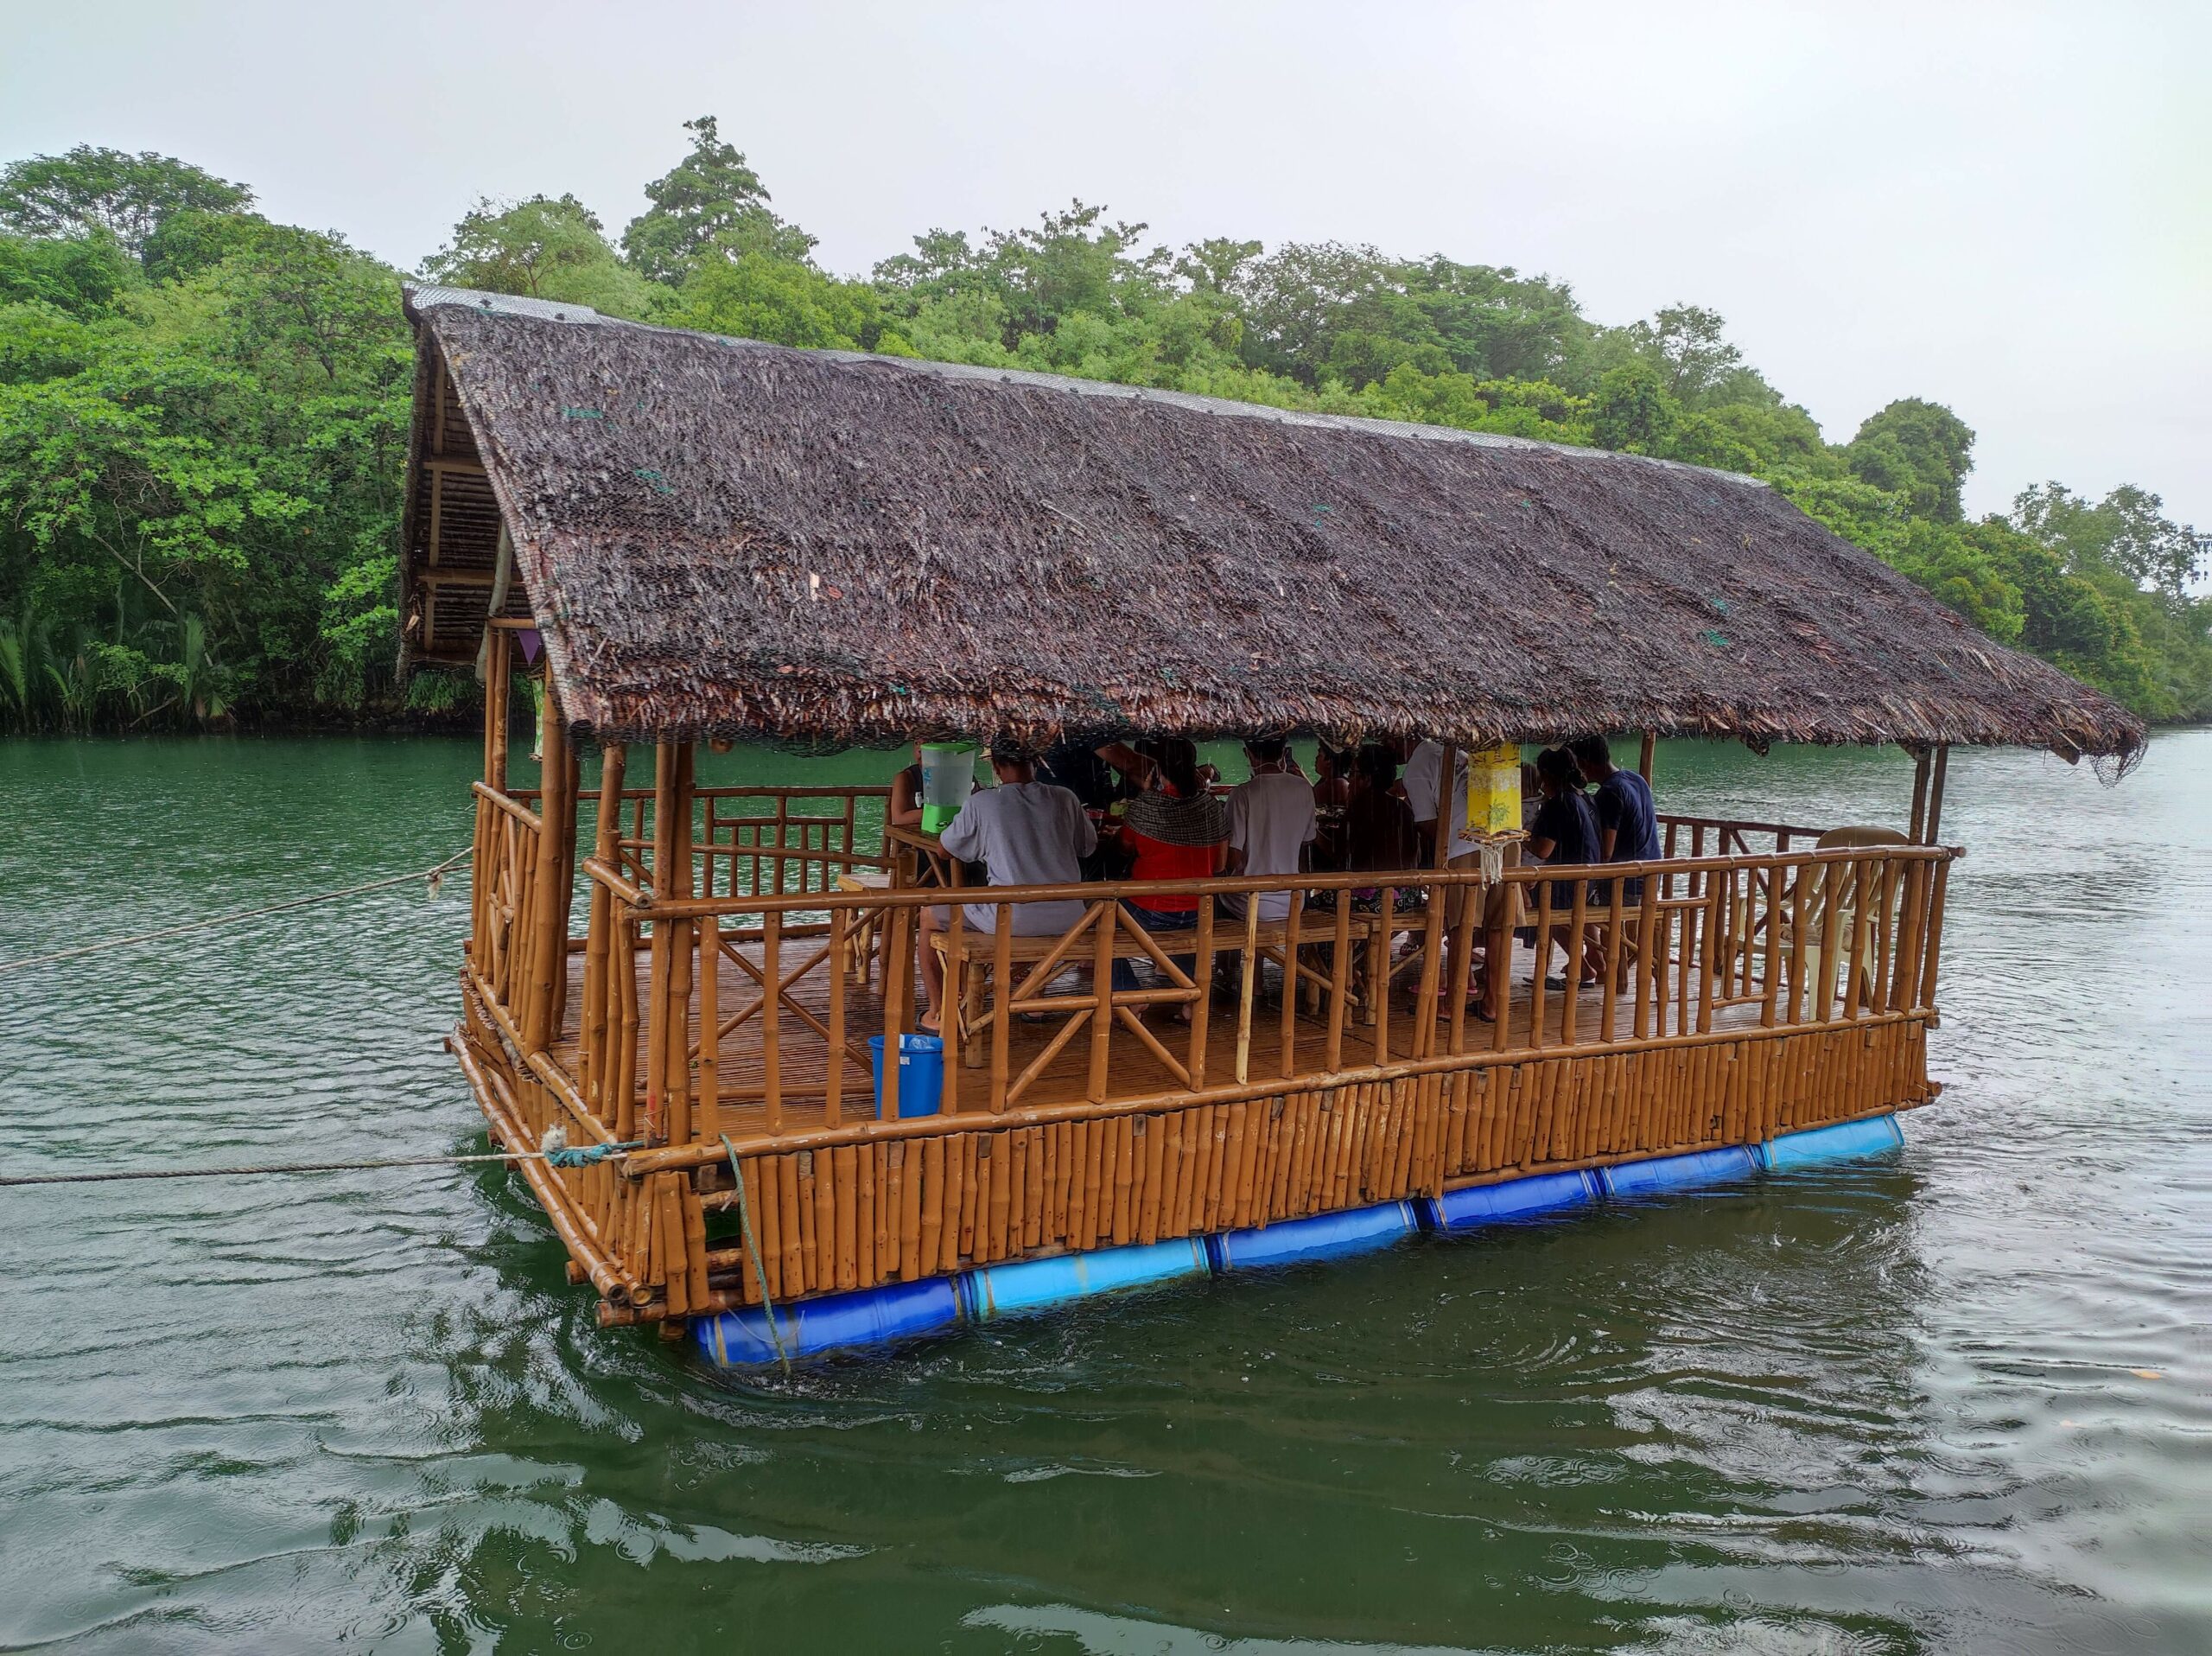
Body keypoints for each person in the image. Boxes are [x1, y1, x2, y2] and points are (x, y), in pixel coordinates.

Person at [918, 742, 1095, 1031]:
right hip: (1071, 918)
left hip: (1013, 918)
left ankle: (939, 1011)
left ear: (997, 766)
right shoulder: (1065, 798)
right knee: (1029, 909)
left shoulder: (983, 802)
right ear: (1036, 762)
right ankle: (1034, 997)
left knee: (929, 916)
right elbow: (1087, 847)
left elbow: (944, 850)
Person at [1109, 736, 1228, 1009]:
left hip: (1150, 911)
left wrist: (1148, 795)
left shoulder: (1147, 807)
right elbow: (1220, 866)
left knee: (1102, 923)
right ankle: (1190, 998)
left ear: (1158, 769)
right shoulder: (1210, 807)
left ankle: (1130, 995)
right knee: (1185, 932)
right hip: (1201, 909)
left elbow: (1123, 849)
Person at [1526, 747, 1605, 987]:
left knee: (1544, 913)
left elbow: (1543, 849)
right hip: (1591, 876)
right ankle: (1597, 960)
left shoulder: (1558, 802)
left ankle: (1583, 967)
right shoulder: (1583, 796)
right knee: (1575, 912)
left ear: (1547, 774)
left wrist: (1518, 837)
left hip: (1568, 880)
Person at [1224, 736, 1316, 921]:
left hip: (1251, 902)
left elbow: (1233, 857)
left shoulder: (1243, 793)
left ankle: (1229, 951)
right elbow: (1307, 841)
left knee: (1215, 898)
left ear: (1248, 755)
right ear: (1283, 753)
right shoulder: (1304, 787)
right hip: (1294, 900)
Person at [1570, 734, 1661, 903]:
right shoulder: (1636, 779)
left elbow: (1606, 852)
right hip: (1651, 876)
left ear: (1584, 763)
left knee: (1575, 905)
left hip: (1626, 882)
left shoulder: (1610, 792)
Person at [1342, 744, 1418, 876]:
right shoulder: (1403, 808)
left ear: (1367, 779)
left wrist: (1316, 834)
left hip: (1369, 892)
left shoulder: (1360, 808)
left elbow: (1342, 856)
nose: (1348, 779)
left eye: (1352, 773)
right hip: (1405, 890)